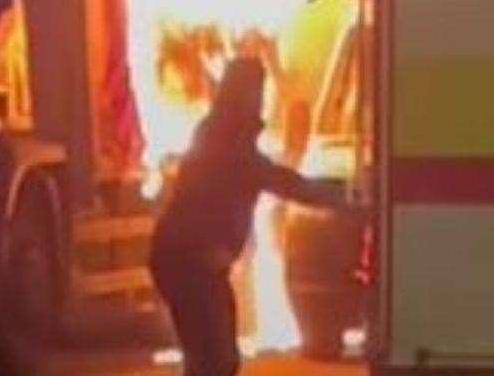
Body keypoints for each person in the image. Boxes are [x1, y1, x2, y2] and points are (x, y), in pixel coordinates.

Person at [150, 57, 352, 376]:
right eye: (259, 91)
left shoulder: (220, 132)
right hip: (190, 263)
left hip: (189, 262)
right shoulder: (229, 143)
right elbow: (282, 182)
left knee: (213, 358)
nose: (262, 100)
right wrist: (343, 195)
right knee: (214, 360)